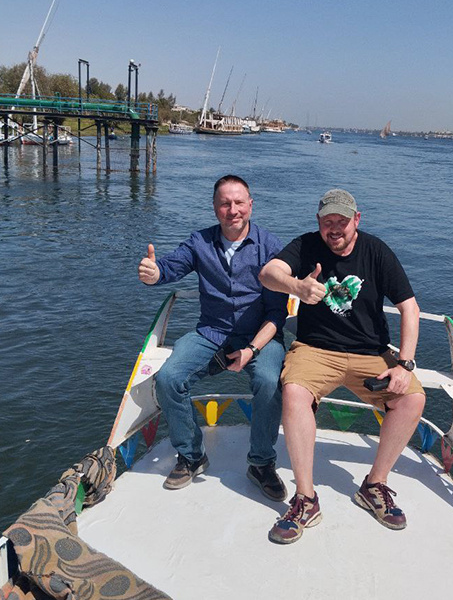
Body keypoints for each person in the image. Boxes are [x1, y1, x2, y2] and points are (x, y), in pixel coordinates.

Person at [258, 188, 426, 544]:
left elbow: (409, 308)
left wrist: (405, 364)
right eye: (328, 221)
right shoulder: (306, 246)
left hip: (370, 353)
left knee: (412, 399)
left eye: (342, 221)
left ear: (356, 220)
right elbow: (268, 273)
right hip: (315, 349)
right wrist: (296, 287)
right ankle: (306, 499)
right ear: (318, 222)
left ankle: (374, 485)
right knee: (294, 393)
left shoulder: (377, 251)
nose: (335, 228)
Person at [137, 175, 288, 501]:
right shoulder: (200, 242)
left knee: (269, 381)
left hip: (260, 336)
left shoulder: (271, 247)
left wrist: (251, 349)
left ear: (251, 205)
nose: (233, 210)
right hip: (211, 332)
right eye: (225, 203)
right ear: (215, 207)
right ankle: (192, 455)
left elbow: (278, 313)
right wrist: (155, 274)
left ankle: (261, 463)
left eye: (239, 202)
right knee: (169, 378)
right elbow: (170, 267)